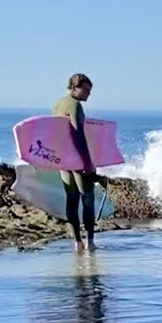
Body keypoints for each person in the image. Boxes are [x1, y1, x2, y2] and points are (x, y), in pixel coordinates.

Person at [52, 73, 97, 252]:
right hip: (77, 160)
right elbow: (78, 136)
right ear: (75, 87)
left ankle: (77, 243)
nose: (88, 93)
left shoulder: (58, 104)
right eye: (85, 89)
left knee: (71, 200)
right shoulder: (75, 105)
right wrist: (88, 162)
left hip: (63, 159)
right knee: (87, 199)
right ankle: (90, 242)